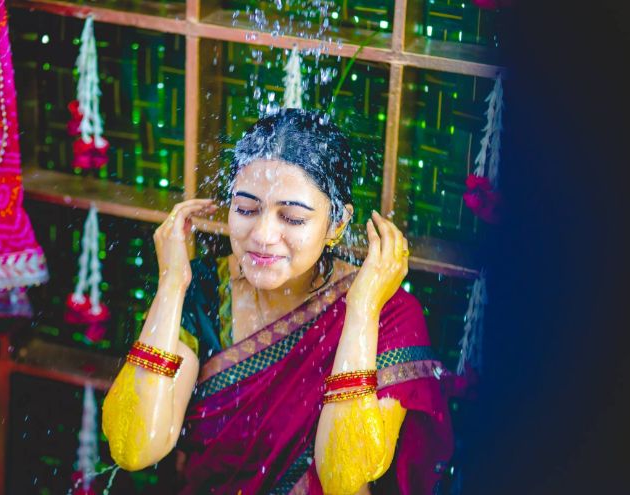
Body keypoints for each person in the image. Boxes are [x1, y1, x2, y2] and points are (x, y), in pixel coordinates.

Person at [101, 109, 453, 494]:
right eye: (247, 209)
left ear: (336, 223)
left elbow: (342, 476)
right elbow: (133, 448)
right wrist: (171, 282)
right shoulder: (201, 288)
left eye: (293, 218)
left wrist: (361, 311)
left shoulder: (388, 312)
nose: (263, 235)